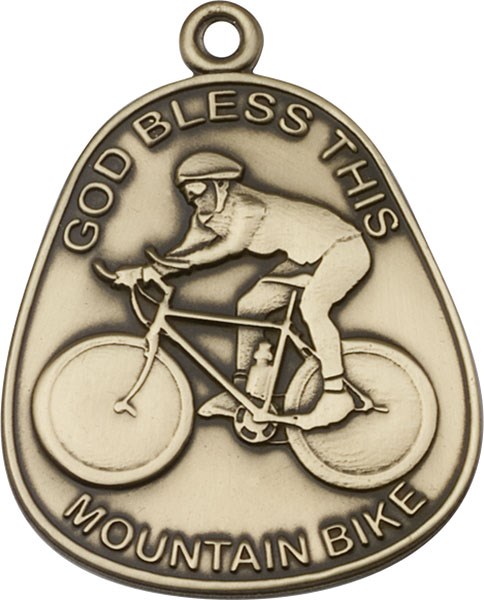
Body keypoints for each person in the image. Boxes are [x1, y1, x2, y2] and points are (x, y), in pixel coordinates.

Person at [116, 151, 371, 428]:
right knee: (249, 307)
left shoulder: (248, 207)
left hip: (343, 248)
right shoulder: (206, 217)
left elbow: (229, 247)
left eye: (198, 190)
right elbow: (181, 255)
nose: (194, 200)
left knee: (313, 307)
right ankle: (241, 392)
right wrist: (144, 272)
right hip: (307, 258)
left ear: (220, 184)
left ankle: (336, 394)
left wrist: (177, 264)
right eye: (189, 195)